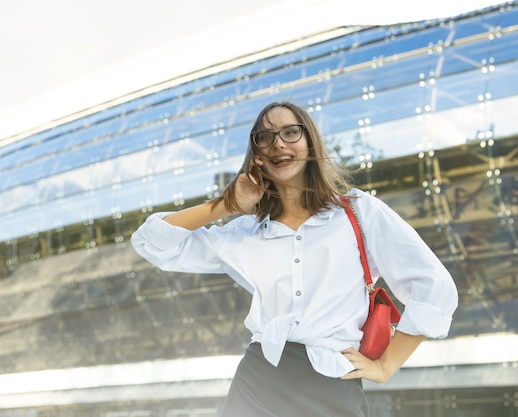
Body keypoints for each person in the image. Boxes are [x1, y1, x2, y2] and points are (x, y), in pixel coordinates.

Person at [131, 101, 458, 417]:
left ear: (309, 140)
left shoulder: (357, 211)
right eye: (266, 137)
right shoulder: (245, 232)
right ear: (256, 155)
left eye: (290, 133)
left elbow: (434, 288)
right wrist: (226, 206)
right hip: (259, 379)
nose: (278, 144)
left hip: (333, 382)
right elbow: (151, 242)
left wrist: (387, 366)